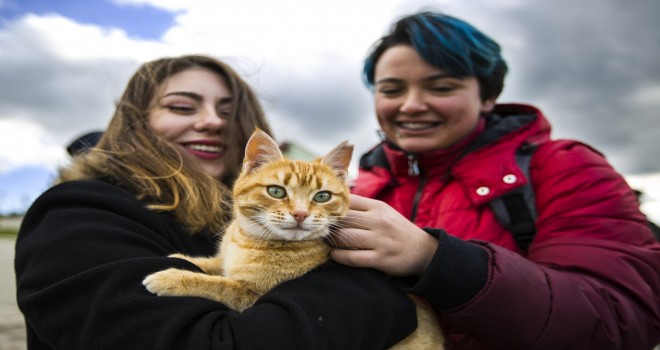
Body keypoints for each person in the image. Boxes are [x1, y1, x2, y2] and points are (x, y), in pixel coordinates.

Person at [14, 55, 417, 349]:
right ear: (135, 122)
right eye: (182, 107)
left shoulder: (236, 215)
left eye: (229, 111)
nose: (213, 121)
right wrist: (382, 294)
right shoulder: (77, 213)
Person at [331, 12, 660, 349]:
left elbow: (619, 321)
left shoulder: (568, 168)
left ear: (488, 96)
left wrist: (435, 260)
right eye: (392, 89)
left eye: (441, 87)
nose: (411, 105)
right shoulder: (359, 188)